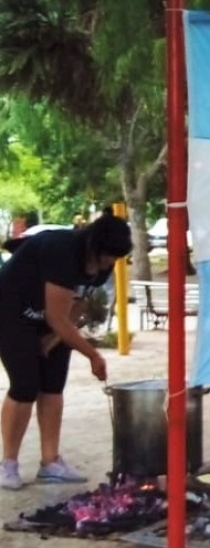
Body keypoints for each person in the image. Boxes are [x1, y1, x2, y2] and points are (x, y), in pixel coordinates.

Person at [0, 208, 133, 490]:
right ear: (94, 243)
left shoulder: (103, 260)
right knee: (25, 384)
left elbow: (79, 301)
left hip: (48, 316)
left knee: (52, 385)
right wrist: (93, 355)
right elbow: (55, 317)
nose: (110, 262)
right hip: (10, 311)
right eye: (108, 255)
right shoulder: (61, 250)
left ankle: (51, 462)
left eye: (115, 257)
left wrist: (57, 339)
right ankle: (8, 464)